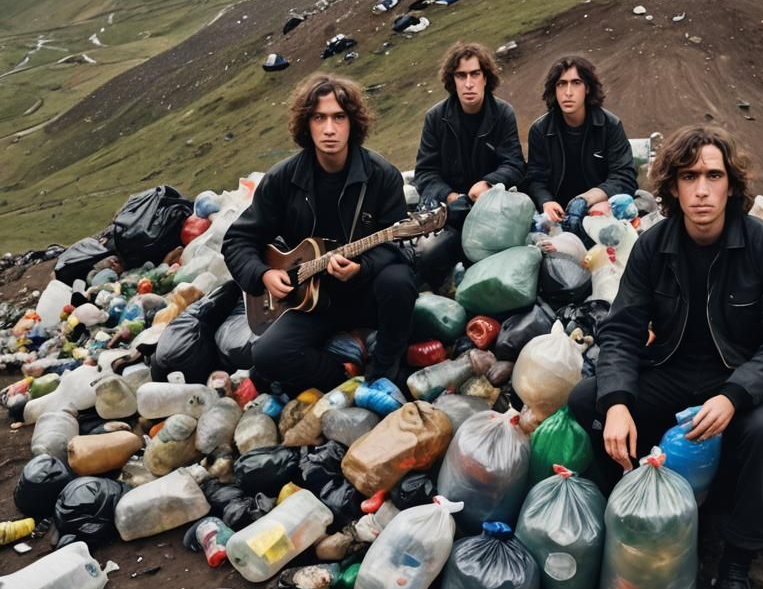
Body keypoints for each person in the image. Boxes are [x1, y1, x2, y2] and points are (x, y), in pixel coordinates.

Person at [568, 125, 763, 589]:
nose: (701, 189)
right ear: (672, 188)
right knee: (587, 398)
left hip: (747, 378)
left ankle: (735, 566)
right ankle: (638, 514)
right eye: (689, 176)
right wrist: (616, 402)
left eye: (713, 176)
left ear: (731, 185)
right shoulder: (654, 246)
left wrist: (735, 394)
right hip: (678, 370)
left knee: (762, 433)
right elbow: (622, 331)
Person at [223, 74, 417, 392]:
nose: (329, 129)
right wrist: (262, 276)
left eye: (339, 117)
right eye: (319, 118)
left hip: (365, 292)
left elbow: (401, 248)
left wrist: (362, 267)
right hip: (309, 302)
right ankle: (342, 375)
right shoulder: (283, 180)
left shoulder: (381, 176)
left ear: (353, 122)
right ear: (306, 124)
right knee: (268, 356)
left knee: (398, 280)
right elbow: (238, 240)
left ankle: (382, 372)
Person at [413, 41, 526, 287]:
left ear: (486, 78)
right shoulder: (436, 118)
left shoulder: (503, 113)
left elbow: (515, 163)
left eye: (475, 74)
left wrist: (489, 184)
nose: (469, 82)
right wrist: (450, 196)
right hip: (450, 216)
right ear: (452, 80)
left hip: (494, 213)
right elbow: (425, 172)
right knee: (427, 255)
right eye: (461, 75)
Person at [526, 56, 637, 234]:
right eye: (561, 84)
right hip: (558, 216)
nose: (568, 92)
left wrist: (586, 199)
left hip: (601, 213)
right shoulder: (540, 130)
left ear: (587, 88)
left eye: (576, 83)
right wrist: (546, 201)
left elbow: (625, 177)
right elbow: (535, 178)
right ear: (554, 90)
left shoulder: (609, 126)